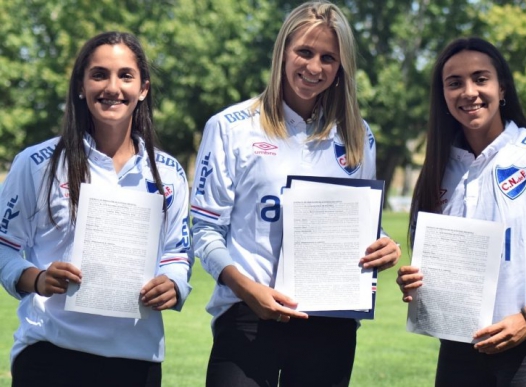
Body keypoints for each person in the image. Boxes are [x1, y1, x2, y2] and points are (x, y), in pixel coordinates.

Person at [190, 1, 401, 386]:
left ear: (342, 67)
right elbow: (204, 231)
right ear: (283, 51)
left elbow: (359, 229)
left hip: (331, 323)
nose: (314, 67)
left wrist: (383, 244)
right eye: (304, 52)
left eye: (328, 58)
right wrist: (248, 289)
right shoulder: (230, 127)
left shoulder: (357, 135)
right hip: (248, 317)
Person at [0, 31, 192, 386]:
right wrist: (39, 280)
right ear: (80, 85)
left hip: (136, 358)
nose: (112, 87)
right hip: (50, 354)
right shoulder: (36, 164)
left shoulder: (169, 172)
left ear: (144, 88)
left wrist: (175, 284)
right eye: (99, 74)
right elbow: (4, 247)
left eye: (125, 76)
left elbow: (177, 253)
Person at [396, 36, 526, 386]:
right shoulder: (439, 168)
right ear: (443, 96)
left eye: (481, 79)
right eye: (455, 83)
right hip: (459, 349)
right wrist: (415, 282)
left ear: (503, 88)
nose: (469, 92)